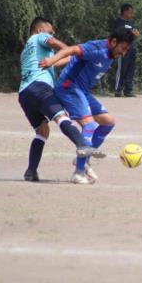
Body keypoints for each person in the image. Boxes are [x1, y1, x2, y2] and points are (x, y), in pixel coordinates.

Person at [39, 27, 135, 184]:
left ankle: (83, 160)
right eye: (123, 48)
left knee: (108, 122)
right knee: (89, 125)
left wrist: (55, 65)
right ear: (114, 41)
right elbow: (71, 50)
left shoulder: (111, 53)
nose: (123, 53)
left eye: (126, 50)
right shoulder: (97, 48)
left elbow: (74, 59)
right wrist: (51, 61)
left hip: (83, 92)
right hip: (69, 88)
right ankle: (78, 173)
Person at [18, 17, 96, 182]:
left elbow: (59, 60)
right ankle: (82, 144)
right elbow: (54, 43)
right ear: (40, 30)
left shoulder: (27, 50)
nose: (52, 34)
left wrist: (74, 56)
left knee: (42, 131)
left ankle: (31, 171)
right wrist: (72, 49)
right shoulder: (40, 37)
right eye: (50, 31)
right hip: (40, 87)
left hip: (24, 94)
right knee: (61, 117)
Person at [114, 3, 140, 97]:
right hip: (122, 49)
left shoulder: (131, 23)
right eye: (129, 12)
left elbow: (136, 33)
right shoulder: (118, 22)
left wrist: (136, 34)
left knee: (130, 70)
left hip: (132, 48)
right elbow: (117, 34)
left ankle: (128, 91)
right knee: (122, 69)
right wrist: (128, 32)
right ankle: (118, 90)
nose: (131, 14)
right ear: (124, 11)